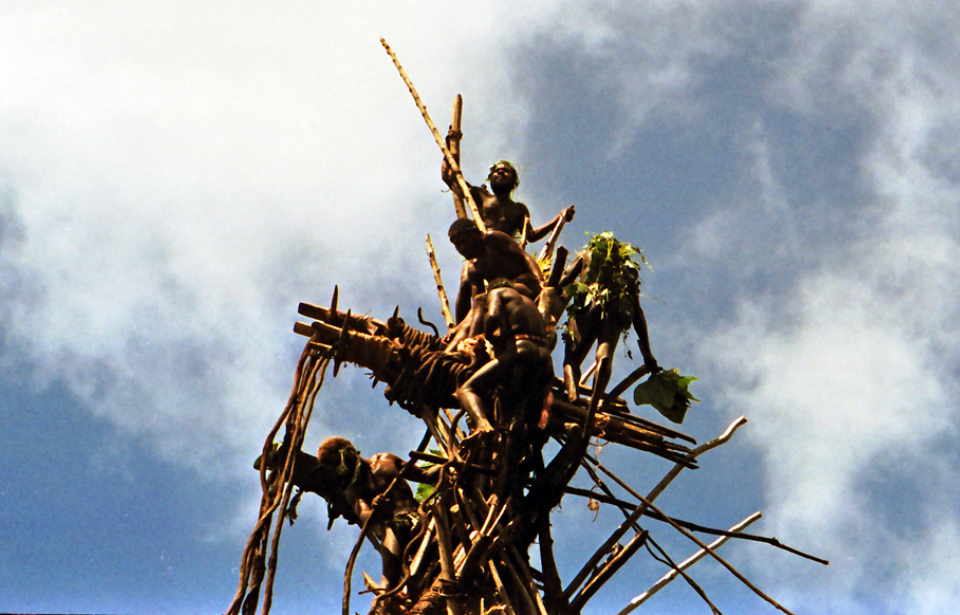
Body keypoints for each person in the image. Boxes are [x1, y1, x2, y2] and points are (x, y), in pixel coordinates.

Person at [559, 233, 659, 403]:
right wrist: (647, 353)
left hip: (589, 302)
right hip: (615, 307)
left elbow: (566, 278)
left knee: (571, 359)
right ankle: (596, 397)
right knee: (604, 354)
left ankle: (573, 395)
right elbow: (637, 313)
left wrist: (548, 289)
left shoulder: (586, 254)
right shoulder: (626, 269)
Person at [455, 279, 554, 436]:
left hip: (522, 349)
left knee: (465, 389)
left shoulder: (497, 292)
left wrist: (490, 336)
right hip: (545, 358)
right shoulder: (529, 302)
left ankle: (483, 425)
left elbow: (493, 315)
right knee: (525, 407)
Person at [446, 217, 544, 332]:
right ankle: (457, 340)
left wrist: (540, 280)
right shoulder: (473, 268)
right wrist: (459, 328)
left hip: (526, 287)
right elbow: (477, 302)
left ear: (474, 234)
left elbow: (524, 257)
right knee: (474, 311)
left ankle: (471, 341)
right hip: (499, 297)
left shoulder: (494, 238)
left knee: (484, 298)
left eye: (463, 242)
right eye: (457, 246)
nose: (462, 249)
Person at [442, 158, 575, 242]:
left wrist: (560, 218)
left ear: (514, 182)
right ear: (490, 178)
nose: (500, 172)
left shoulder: (519, 209)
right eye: (497, 171)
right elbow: (449, 178)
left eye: (505, 171)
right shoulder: (480, 195)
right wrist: (450, 146)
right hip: (482, 249)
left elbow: (531, 235)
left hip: (506, 256)